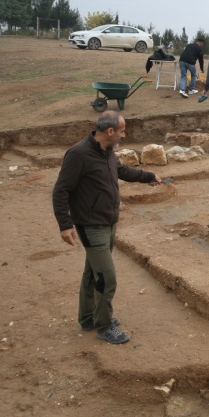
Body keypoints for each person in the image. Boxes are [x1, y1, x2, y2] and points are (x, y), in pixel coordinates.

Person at [52, 111, 163, 344]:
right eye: (122, 131)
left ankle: (88, 318)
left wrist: (148, 176)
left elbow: (121, 171)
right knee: (106, 277)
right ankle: (103, 326)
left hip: (108, 222)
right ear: (110, 131)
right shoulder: (78, 154)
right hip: (91, 225)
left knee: (93, 273)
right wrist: (65, 225)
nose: (124, 134)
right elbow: (61, 190)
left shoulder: (106, 151)